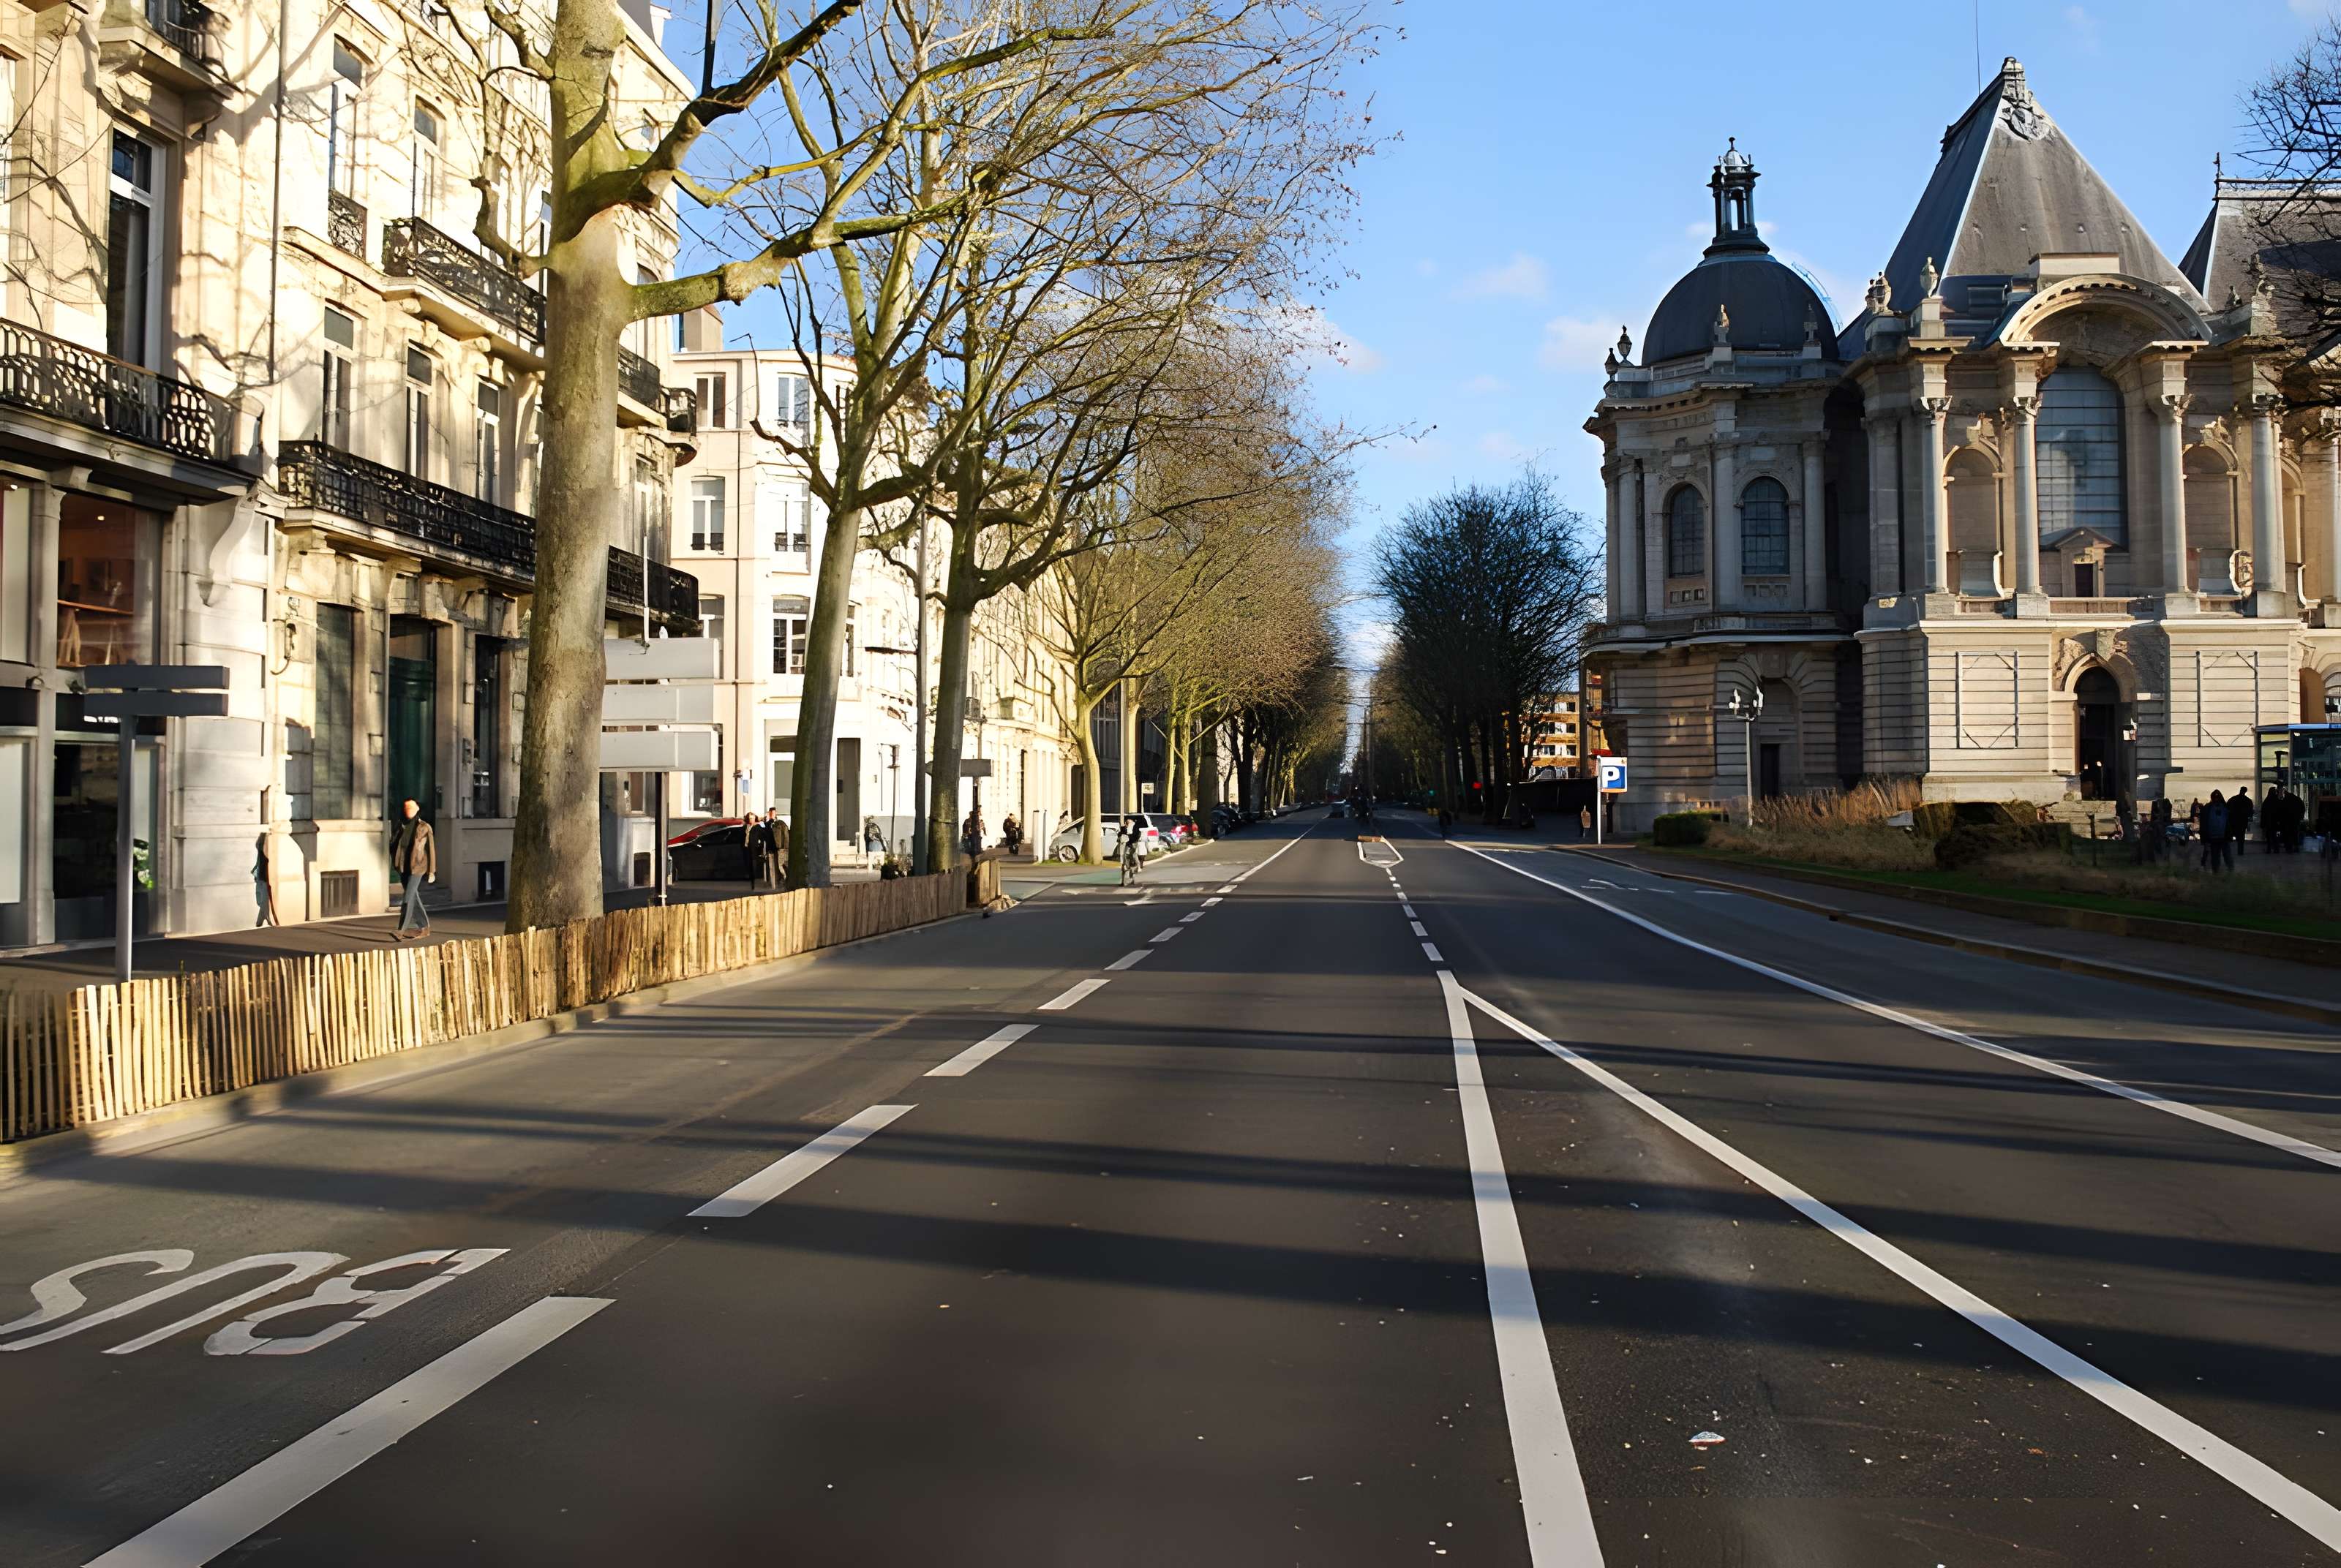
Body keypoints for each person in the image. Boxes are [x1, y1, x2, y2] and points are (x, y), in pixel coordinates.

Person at [391, 798, 435, 939]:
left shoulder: (425, 827)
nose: (408, 810)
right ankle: (425, 927)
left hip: (418, 867)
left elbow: (431, 849)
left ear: (417, 809)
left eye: (411, 807)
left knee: (408, 898)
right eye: (406, 807)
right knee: (414, 897)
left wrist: (432, 871)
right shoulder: (400, 825)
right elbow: (394, 844)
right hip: (403, 867)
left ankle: (401, 930)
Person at [2201, 791, 2230, 873]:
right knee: (2217, 857)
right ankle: (2218, 872)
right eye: (2216, 797)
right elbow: (2204, 824)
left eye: (2218, 797)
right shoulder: (2222, 808)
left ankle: (2219, 872)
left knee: (2222, 856)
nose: (2217, 799)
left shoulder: (2222, 808)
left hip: (2220, 836)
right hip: (2214, 837)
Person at [743, 813, 770, 890]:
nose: (751, 820)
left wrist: (759, 843)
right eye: (750, 818)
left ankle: (754, 876)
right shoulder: (747, 827)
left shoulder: (757, 827)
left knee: (754, 861)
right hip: (747, 847)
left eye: (752, 818)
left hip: (754, 847)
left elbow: (764, 835)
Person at [765, 808, 790, 890]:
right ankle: (783, 880)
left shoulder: (775, 824)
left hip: (779, 848)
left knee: (780, 866)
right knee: (782, 865)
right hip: (782, 848)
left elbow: (770, 835)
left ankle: (785, 879)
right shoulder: (779, 824)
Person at [2228, 788, 2255, 858]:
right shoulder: (2248, 801)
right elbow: (2250, 812)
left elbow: (2228, 808)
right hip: (2243, 821)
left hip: (2233, 821)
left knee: (2233, 835)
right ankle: (2240, 851)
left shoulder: (2233, 799)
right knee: (2241, 836)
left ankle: (2231, 851)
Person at [1119, 813, 1143, 886]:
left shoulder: (1137, 831)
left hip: (1131, 848)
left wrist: (1130, 838)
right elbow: (1120, 835)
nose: (1128, 821)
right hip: (1124, 849)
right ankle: (1123, 882)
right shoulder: (1123, 829)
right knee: (1125, 865)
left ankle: (1132, 879)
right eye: (1127, 820)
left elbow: (1135, 839)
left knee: (1133, 863)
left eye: (1130, 820)